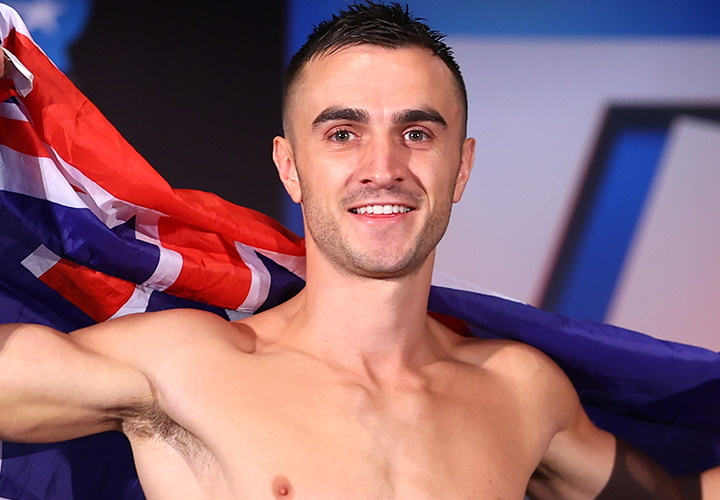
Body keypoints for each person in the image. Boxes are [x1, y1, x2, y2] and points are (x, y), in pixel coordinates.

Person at [0, 2, 714, 498]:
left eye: (417, 133)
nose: (383, 167)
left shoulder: (519, 391)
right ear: (290, 167)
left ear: (462, 167)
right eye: (343, 133)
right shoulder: (184, 368)